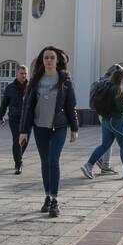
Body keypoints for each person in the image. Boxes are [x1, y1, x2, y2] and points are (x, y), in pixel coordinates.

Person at [19, 46, 79, 217]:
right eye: (46, 57)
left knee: (53, 160)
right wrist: (23, 131)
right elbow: (28, 107)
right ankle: (47, 195)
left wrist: (74, 128)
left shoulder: (65, 80)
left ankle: (55, 199)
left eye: (52, 57)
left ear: (58, 60)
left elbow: (70, 106)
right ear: (42, 60)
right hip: (40, 127)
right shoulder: (35, 80)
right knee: (45, 162)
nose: (49, 60)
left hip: (58, 126)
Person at [81, 64, 123, 180]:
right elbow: (121, 106)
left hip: (106, 120)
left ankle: (88, 166)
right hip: (117, 120)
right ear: (121, 78)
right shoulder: (117, 89)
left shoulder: (106, 86)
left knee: (105, 145)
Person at [0, 64, 29, 174]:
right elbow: (5, 103)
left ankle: (18, 156)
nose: (24, 75)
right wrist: (0, 117)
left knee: (24, 141)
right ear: (17, 74)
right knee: (17, 139)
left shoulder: (31, 87)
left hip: (28, 118)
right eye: (21, 73)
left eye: (25, 73)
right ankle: (18, 164)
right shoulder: (10, 88)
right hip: (14, 117)